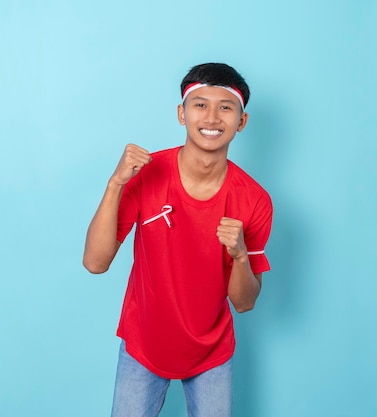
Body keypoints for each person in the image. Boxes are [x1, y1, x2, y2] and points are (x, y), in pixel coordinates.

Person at [83, 63, 273, 417]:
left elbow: (244, 303)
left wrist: (241, 256)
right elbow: (95, 263)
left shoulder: (255, 200)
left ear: (242, 121)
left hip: (211, 352)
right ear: (181, 114)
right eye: (200, 104)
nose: (212, 117)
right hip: (144, 343)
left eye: (226, 107)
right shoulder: (146, 174)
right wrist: (114, 185)